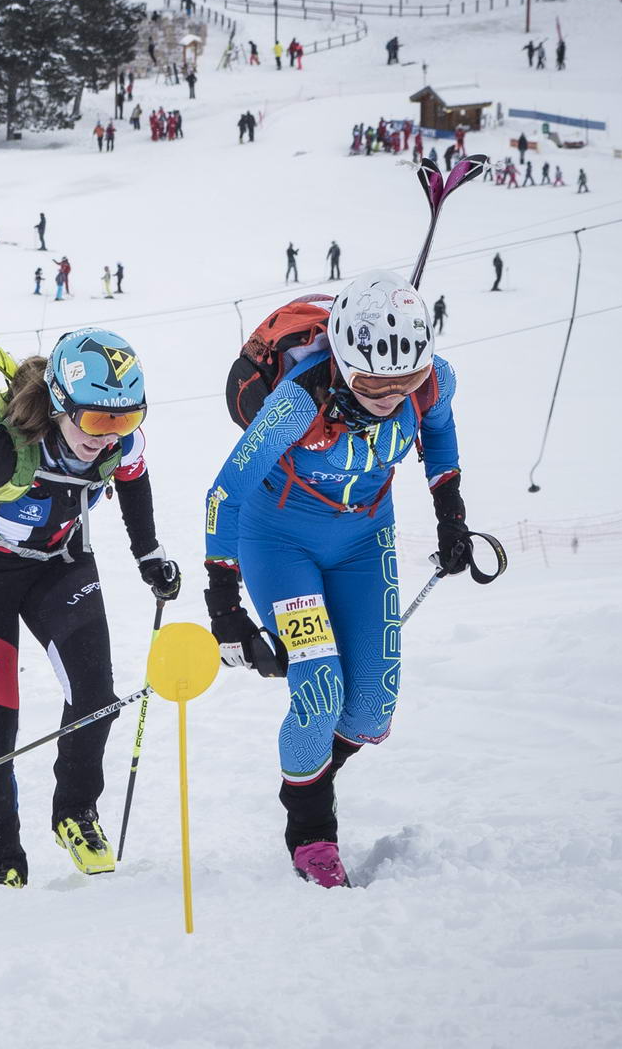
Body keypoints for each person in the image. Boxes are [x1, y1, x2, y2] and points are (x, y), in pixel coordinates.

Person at [200, 272, 471, 887]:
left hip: (364, 542)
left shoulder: (431, 384)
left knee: (371, 707)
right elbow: (225, 494)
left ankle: (307, 770)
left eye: (402, 381)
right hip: (279, 543)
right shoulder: (297, 402)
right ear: (347, 364)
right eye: (374, 381)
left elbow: (440, 435)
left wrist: (450, 516)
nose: (388, 396)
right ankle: (312, 832)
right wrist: (224, 607)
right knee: (319, 689)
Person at [0, 329, 179, 885]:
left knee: (97, 697)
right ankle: (1, 859)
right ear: (61, 407)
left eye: (125, 419)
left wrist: (149, 555)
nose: (108, 437)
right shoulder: (3, 452)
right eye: (95, 421)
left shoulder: (120, 444)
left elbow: (134, 482)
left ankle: (76, 813)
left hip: (57, 564)